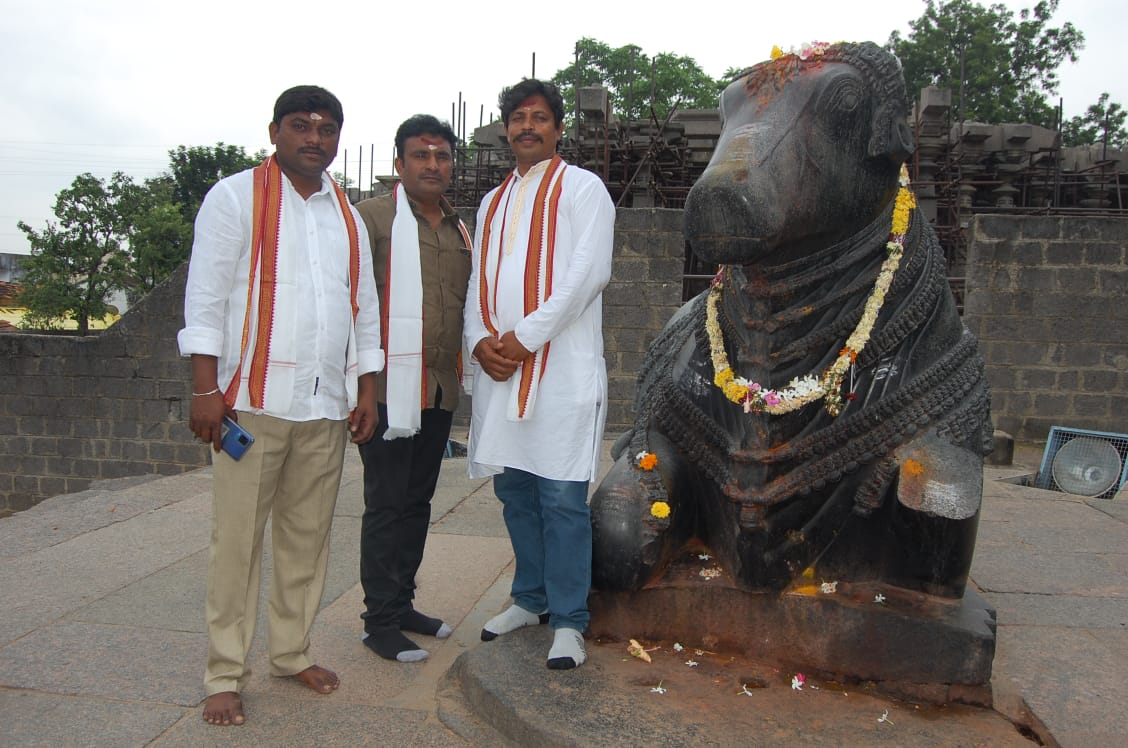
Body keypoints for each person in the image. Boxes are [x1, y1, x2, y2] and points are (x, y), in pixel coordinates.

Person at [178, 85, 383, 726]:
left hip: (323, 405)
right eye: (301, 126)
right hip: (249, 404)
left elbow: (364, 309)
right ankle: (224, 671)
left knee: (307, 539)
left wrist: (367, 388)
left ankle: (291, 651)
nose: (314, 138)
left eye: (326, 128)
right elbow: (207, 296)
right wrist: (206, 388)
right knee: (236, 544)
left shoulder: (346, 215)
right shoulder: (236, 197)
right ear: (275, 132)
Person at [463, 79, 615, 670]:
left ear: (557, 129)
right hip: (503, 369)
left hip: (558, 369)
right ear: (507, 128)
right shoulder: (492, 201)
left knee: (561, 495)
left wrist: (523, 339)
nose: (528, 126)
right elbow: (479, 281)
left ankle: (571, 620)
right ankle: (530, 599)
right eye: (519, 117)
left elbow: (588, 275)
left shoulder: (583, 189)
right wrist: (479, 340)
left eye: (540, 118)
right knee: (515, 490)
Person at [352, 115, 472, 662]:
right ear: (399, 164)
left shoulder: (458, 227)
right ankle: (378, 621)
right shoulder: (372, 220)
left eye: (442, 155)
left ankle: (401, 603)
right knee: (386, 503)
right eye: (420, 156)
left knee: (418, 502)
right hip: (387, 391)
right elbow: (352, 304)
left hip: (439, 388)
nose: (432, 165)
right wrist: (363, 391)